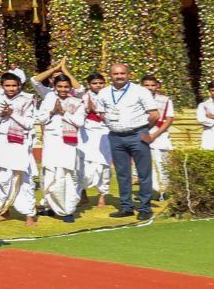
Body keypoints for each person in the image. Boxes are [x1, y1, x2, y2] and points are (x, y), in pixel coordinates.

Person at [93, 63, 159, 221]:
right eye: (116, 74)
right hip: (116, 136)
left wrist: (145, 131)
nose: (119, 76)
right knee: (122, 174)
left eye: (122, 73)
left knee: (143, 173)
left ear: (129, 74)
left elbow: (154, 114)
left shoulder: (140, 91)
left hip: (137, 135)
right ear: (111, 75)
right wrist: (112, 122)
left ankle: (144, 207)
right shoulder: (103, 93)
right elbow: (101, 113)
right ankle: (126, 207)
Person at [0, 72, 37, 226]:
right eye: (7, 85)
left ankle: (29, 214)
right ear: (2, 86)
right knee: (2, 178)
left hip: (20, 142)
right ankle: (4, 211)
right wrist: (1, 116)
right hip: (2, 141)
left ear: (19, 86)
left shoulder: (27, 100)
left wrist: (12, 114)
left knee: (24, 179)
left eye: (14, 85)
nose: (11, 88)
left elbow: (29, 124)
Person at [37, 75, 86, 223]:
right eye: (60, 87)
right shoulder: (48, 99)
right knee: (50, 176)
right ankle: (52, 206)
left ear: (70, 88)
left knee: (67, 177)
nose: (63, 90)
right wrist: (52, 112)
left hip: (68, 145)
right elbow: (40, 119)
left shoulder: (77, 102)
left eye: (66, 87)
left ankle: (68, 210)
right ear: (55, 87)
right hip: (52, 142)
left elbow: (80, 122)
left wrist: (64, 112)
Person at [78, 72, 111, 209]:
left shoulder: (110, 95)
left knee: (104, 164)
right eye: (94, 83)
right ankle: (82, 194)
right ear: (89, 85)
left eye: (100, 83)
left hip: (105, 132)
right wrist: (87, 110)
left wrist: (98, 112)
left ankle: (102, 195)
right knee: (83, 163)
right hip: (87, 132)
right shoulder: (83, 96)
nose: (98, 85)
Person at [140, 75, 174, 198]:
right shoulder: (136, 100)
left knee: (162, 163)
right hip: (142, 134)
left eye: (152, 85)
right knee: (145, 165)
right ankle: (147, 191)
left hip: (160, 135)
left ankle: (163, 191)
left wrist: (154, 135)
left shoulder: (165, 100)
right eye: (147, 85)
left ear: (157, 86)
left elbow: (169, 119)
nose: (150, 88)